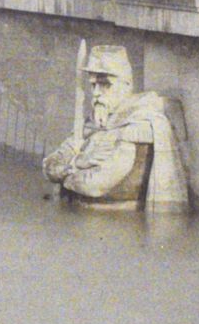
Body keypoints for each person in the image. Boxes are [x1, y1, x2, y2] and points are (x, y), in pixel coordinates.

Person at [42, 45, 189, 209]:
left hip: (116, 220)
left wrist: (69, 173)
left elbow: (98, 184)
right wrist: (58, 168)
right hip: (79, 214)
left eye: (105, 85)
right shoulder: (94, 121)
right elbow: (57, 157)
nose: (96, 93)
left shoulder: (137, 126)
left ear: (126, 85)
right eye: (93, 85)